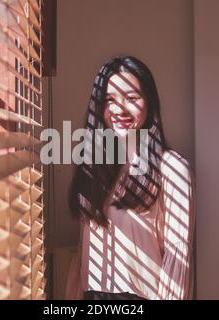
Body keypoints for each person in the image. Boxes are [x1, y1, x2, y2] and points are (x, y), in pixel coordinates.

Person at [65, 56, 195, 300]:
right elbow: (83, 248)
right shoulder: (94, 167)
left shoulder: (172, 169)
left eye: (132, 98)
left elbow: (177, 258)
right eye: (109, 100)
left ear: (150, 103)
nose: (119, 109)